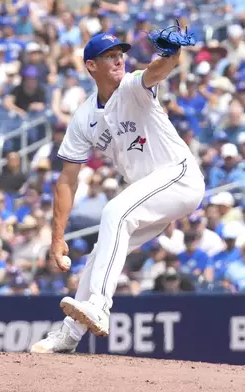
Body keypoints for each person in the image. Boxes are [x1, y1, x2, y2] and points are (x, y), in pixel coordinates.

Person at [31, 33, 205, 353]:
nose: (118, 60)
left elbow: (155, 72)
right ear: (91, 65)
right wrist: (57, 238)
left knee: (114, 211)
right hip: (147, 190)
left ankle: (99, 304)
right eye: (109, 56)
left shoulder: (131, 87)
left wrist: (173, 54)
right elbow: (67, 180)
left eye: (120, 54)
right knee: (100, 255)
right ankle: (70, 334)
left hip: (178, 176)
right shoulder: (83, 118)